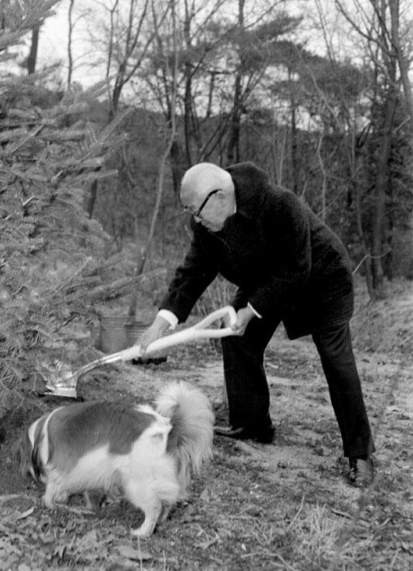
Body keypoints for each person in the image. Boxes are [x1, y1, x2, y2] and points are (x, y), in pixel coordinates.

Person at [139, 161, 375, 487]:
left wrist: (252, 309)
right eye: (190, 212)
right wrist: (160, 324)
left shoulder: (278, 204)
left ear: (219, 197)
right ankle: (252, 424)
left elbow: (297, 268)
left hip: (322, 279)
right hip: (267, 281)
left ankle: (360, 453)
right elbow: (192, 274)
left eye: (196, 210)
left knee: (336, 360)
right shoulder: (206, 226)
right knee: (238, 338)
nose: (195, 219)